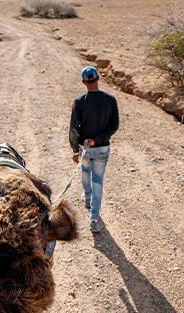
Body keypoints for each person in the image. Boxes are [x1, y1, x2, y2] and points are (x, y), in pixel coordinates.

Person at [69, 66, 119, 233]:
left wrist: (75, 150)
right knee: (98, 180)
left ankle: (88, 197)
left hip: (85, 149)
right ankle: (94, 218)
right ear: (98, 78)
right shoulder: (111, 100)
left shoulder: (80, 101)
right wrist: (97, 140)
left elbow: (74, 128)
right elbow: (114, 126)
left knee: (85, 170)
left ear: (83, 82)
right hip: (103, 148)